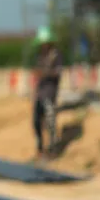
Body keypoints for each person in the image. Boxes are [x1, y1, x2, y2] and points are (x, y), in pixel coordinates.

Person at [32, 25, 62, 159]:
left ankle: (53, 149)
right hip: (40, 92)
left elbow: (57, 72)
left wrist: (44, 73)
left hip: (49, 91)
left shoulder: (56, 55)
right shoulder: (40, 56)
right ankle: (40, 147)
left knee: (50, 121)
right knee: (36, 121)